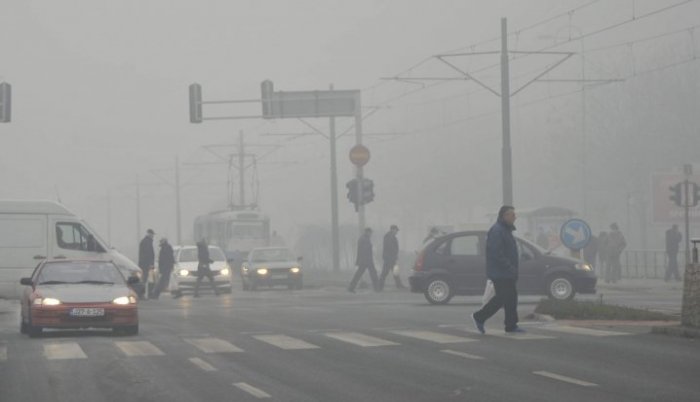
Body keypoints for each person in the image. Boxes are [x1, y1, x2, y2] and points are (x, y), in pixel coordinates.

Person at [472, 206, 524, 334]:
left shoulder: (505, 230)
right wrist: (509, 266)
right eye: (512, 215)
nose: (515, 217)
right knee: (502, 298)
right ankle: (479, 316)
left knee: (511, 298)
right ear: (504, 216)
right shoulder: (497, 231)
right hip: (500, 273)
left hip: (507, 273)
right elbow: (496, 253)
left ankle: (511, 325)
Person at [348, 228, 379, 293]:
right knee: (373, 273)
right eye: (370, 233)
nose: (371, 234)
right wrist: (369, 260)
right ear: (367, 232)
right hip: (366, 260)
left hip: (364, 260)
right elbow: (365, 251)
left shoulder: (363, 238)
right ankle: (377, 287)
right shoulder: (364, 239)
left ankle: (351, 287)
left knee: (359, 274)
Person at [379, 225, 405, 290]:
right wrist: (394, 255)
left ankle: (398, 285)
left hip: (391, 258)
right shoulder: (389, 236)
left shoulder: (390, 236)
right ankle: (379, 286)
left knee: (394, 271)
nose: (397, 232)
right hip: (389, 258)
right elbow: (390, 247)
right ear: (393, 229)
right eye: (396, 230)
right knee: (385, 272)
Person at [138, 229, 156, 298]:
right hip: (146, 264)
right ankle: (144, 294)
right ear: (149, 234)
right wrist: (150, 264)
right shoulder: (147, 242)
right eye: (152, 234)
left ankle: (144, 294)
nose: (153, 236)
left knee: (145, 279)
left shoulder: (146, 241)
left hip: (144, 264)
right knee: (147, 279)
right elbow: (148, 254)